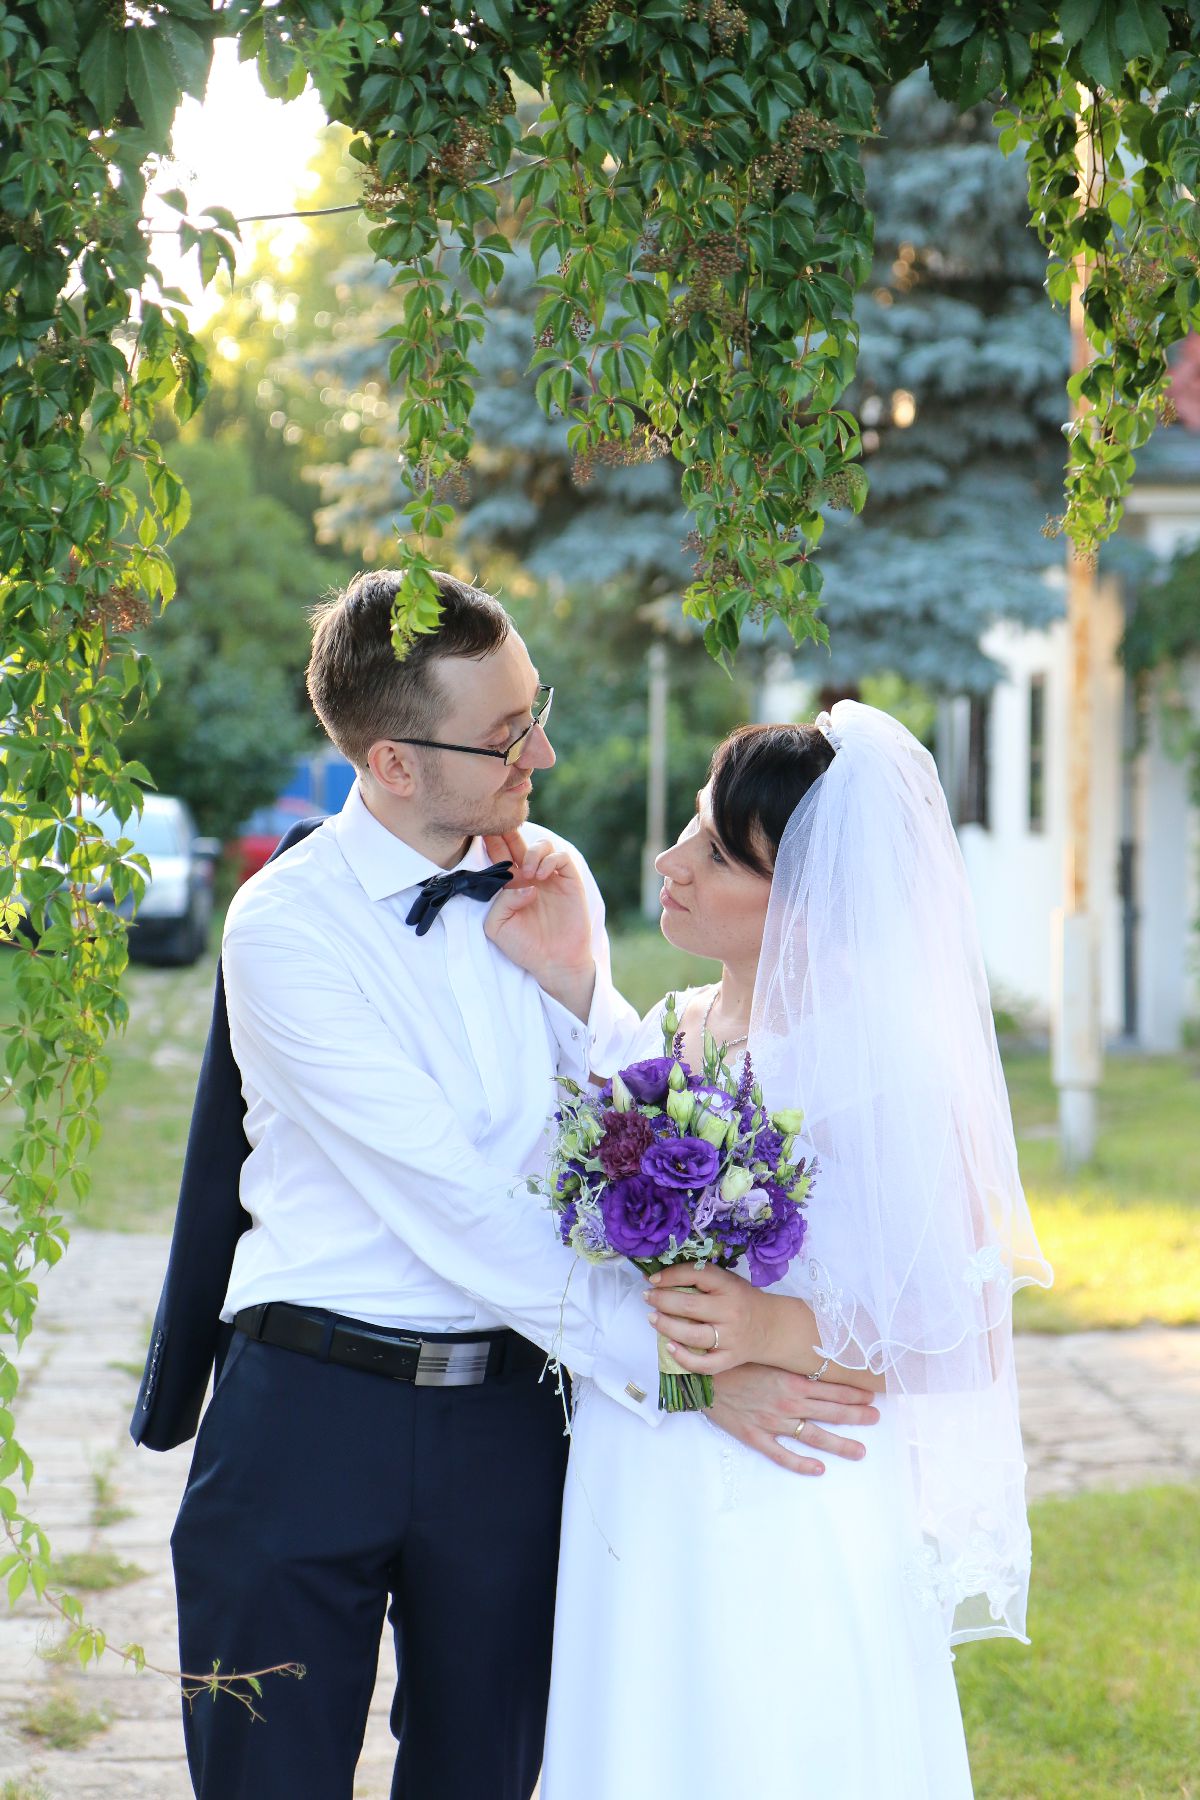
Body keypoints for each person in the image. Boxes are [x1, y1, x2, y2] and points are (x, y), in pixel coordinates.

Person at [153, 570, 879, 1800]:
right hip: (309, 1415)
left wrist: (580, 986)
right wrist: (692, 1376)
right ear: (391, 762)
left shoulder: (551, 876)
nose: (539, 751)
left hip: (514, 1421)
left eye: (536, 711)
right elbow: (462, 1210)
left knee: (492, 1776)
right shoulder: (282, 929)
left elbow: (616, 1140)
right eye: (503, 735)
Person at [538, 706, 1052, 1800]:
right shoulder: (669, 1030)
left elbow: (960, 1328)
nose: (672, 862)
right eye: (692, 826)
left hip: (790, 1479)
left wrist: (774, 1327)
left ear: (815, 907)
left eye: (719, 855)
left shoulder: (878, 1063)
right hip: (641, 1467)